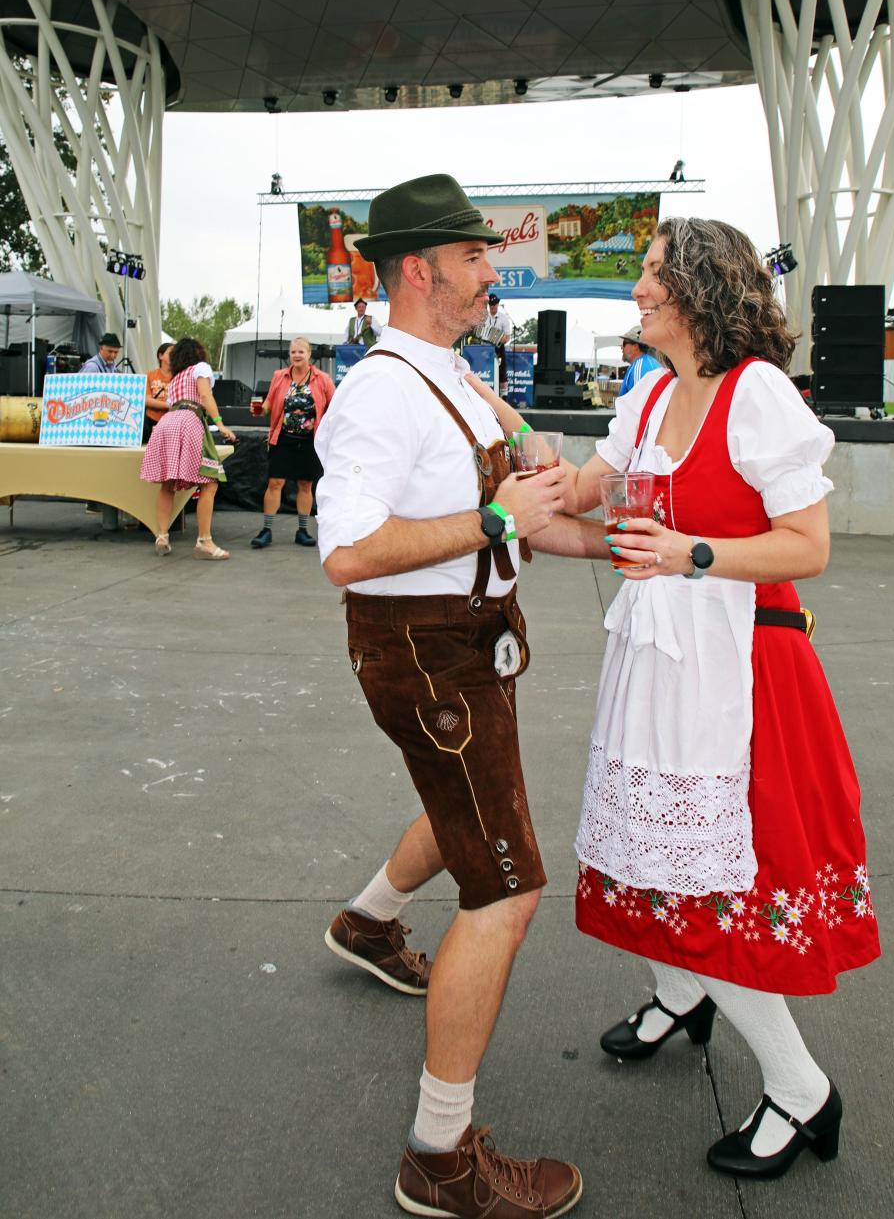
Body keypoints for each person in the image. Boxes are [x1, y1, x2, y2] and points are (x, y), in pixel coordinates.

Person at [475, 217, 880, 1184]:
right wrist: (490, 425)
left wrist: (693, 553)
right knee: (646, 856)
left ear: (696, 292)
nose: (638, 291)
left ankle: (801, 1091)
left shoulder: (758, 397)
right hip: (660, 662)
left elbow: (808, 546)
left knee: (716, 879)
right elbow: (582, 490)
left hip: (744, 673)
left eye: (652, 276)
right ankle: (679, 995)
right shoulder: (650, 394)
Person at [315, 173, 591, 1218]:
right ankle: (439, 1157)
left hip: (466, 648)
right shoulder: (386, 389)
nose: (492, 271)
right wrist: (493, 520)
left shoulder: (457, 376)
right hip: (430, 656)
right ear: (421, 270)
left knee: (466, 806)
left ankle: (368, 920)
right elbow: (345, 552)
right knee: (507, 886)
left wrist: (595, 521)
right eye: (476, 257)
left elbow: (526, 512)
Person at [139, 337, 237, 559]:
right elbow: (205, 395)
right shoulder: (200, 368)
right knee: (209, 481)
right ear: (198, 353)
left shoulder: (175, 379)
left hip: (167, 422)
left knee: (168, 483)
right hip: (189, 420)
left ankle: (162, 535)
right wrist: (220, 423)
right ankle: (205, 541)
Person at [249, 337, 334, 549]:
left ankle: (302, 531)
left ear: (309, 355)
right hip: (283, 437)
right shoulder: (279, 376)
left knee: (305, 485)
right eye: (293, 352)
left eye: (300, 352)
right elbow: (268, 404)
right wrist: (260, 410)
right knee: (275, 483)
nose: (296, 355)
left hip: (309, 441)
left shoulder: (322, 379)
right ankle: (266, 530)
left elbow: (335, 406)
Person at [143, 342, 174, 441]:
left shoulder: (179, 376)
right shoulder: (150, 375)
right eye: (170, 353)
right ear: (160, 356)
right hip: (151, 420)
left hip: (172, 422)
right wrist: (168, 405)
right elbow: (147, 400)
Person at [618, 324, 659, 395]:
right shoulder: (652, 362)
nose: (621, 347)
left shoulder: (638, 369)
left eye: (624, 343)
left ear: (635, 347)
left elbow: (638, 403)